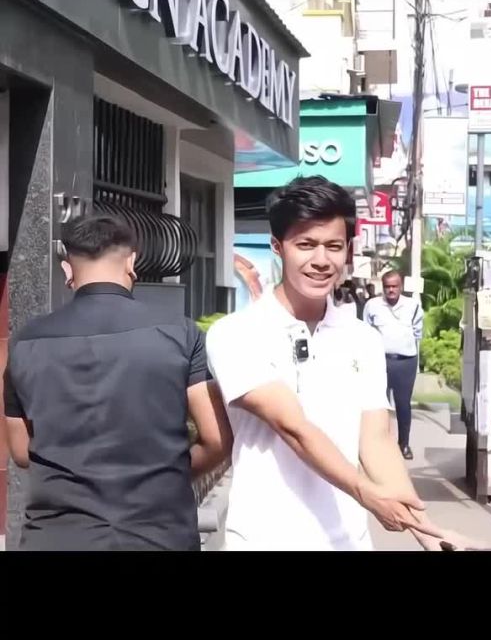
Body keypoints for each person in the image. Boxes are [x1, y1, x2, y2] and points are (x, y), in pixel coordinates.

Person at [205, 175, 449, 551]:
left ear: (347, 250)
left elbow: (377, 440)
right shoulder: (235, 334)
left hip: (348, 542)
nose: (321, 261)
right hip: (261, 541)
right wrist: (366, 493)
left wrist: (429, 534)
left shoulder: (363, 338)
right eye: (305, 245)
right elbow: (293, 428)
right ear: (278, 246)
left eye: (333, 246)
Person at [3, 214, 232, 551]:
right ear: (131, 263)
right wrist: (165, 477)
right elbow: (216, 439)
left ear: (67, 270)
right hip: (158, 534)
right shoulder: (180, 333)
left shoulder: (25, 342)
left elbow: (22, 451)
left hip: (56, 536)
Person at [363, 271, 423, 460]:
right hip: (380, 362)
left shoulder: (413, 306)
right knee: (378, 404)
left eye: (394, 286)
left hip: (406, 362)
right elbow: (366, 332)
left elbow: (418, 333)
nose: (391, 290)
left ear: (401, 287)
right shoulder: (372, 305)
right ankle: (379, 445)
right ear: (383, 287)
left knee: (403, 404)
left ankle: (403, 444)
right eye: (387, 286)